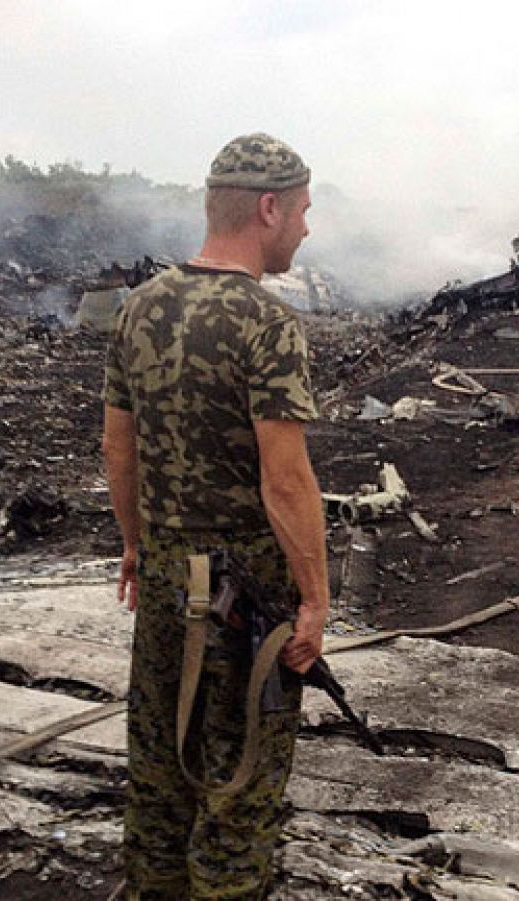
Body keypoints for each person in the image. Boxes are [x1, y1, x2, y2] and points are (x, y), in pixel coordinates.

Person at [102, 133, 329, 899]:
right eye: (300, 210)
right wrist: (314, 601)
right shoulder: (266, 324)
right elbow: (287, 484)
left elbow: (118, 445)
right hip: (243, 601)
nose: (305, 226)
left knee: (160, 770)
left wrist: (135, 544)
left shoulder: (139, 308)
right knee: (238, 783)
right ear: (268, 209)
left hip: (164, 582)